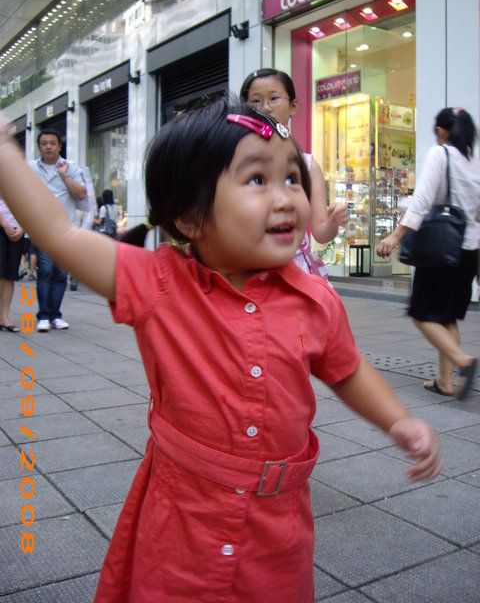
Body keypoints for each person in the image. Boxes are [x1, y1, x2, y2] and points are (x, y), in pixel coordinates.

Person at [0, 100, 441, 602]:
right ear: (191, 216)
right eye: (257, 180)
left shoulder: (316, 300)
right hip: (182, 523)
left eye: (292, 178)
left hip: (276, 530)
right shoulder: (160, 284)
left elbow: (347, 370)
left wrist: (397, 420)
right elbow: (59, 234)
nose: (286, 198)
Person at [377, 107, 480, 399]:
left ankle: (463, 361)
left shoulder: (441, 154)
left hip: (440, 250)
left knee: (420, 313)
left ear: (442, 131)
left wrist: (396, 235)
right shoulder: (474, 161)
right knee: (448, 317)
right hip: (468, 250)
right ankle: (444, 382)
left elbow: (422, 200)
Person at [240, 68, 348, 280]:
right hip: (248, 269)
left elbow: (320, 232)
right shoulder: (237, 160)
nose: (265, 107)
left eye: (274, 98)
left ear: (293, 106)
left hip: (294, 272)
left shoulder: (308, 166)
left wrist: (333, 223)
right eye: (256, 101)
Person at [28, 127, 86, 331]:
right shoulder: (31, 168)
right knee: (45, 270)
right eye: (44, 144)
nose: (48, 147)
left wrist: (65, 176)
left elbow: (81, 193)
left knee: (61, 273)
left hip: (65, 229)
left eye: (52, 143)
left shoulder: (71, 167)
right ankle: (43, 315)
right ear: (39, 147)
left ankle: (55, 315)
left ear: (60, 146)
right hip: (42, 228)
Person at [0, 194, 24, 332]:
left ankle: (4, 318)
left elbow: (28, 206)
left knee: (10, 275)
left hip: (17, 229)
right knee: (0, 272)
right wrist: (4, 224)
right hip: (2, 226)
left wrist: (22, 228)